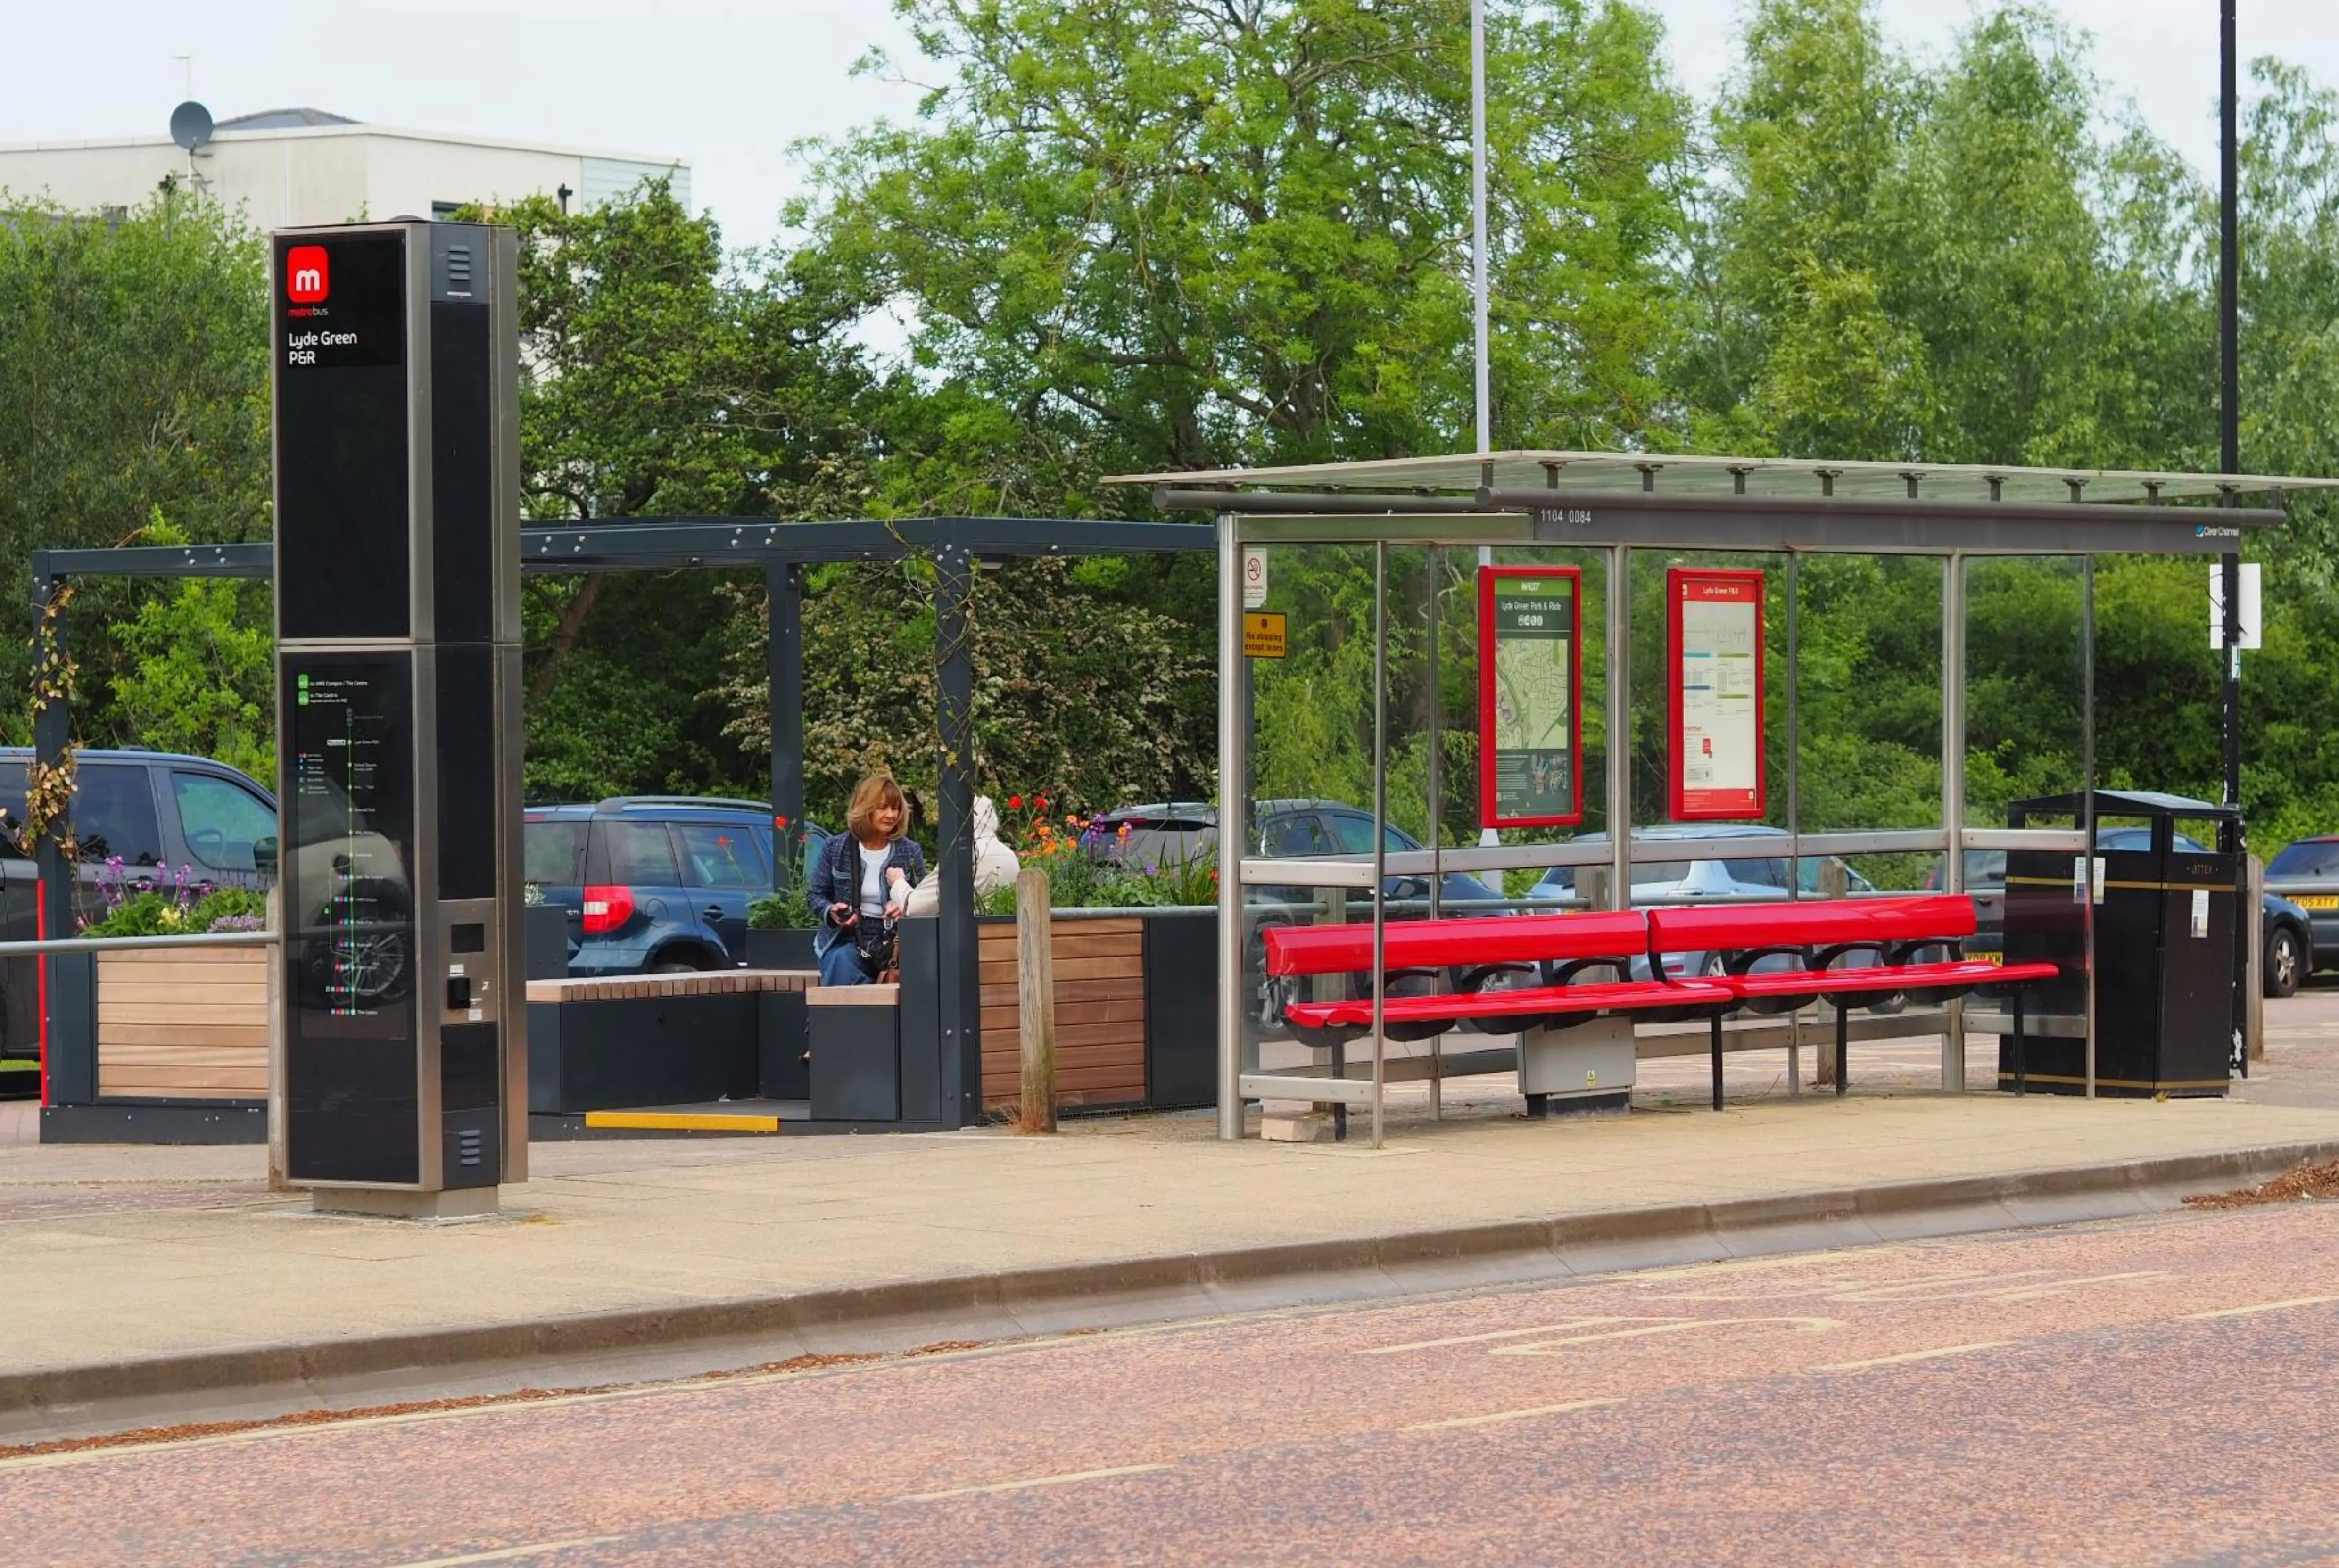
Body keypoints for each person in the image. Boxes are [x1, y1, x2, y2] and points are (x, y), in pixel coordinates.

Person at [809, 773, 926, 986]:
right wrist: (832, 911)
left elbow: (926, 902)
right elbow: (815, 894)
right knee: (842, 963)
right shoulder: (836, 847)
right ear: (865, 808)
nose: (891, 815)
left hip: (897, 941)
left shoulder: (910, 851)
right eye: (883, 808)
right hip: (849, 938)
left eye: (896, 808)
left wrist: (903, 908)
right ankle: (847, 1018)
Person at [901, 795, 1021, 918]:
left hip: (968, 935)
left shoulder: (964, 854)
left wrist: (898, 883)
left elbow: (915, 907)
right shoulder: (1010, 856)